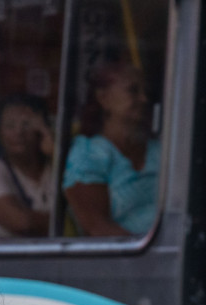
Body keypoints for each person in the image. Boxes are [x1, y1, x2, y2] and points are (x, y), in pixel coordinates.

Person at [63, 61, 160, 236]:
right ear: (103, 98)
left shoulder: (159, 149)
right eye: (133, 90)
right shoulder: (89, 154)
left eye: (146, 92)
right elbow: (97, 228)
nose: (144, 99)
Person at [0, 95, 54, 237]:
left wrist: (55, 152)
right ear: (0, 133)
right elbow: (21, 223)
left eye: (27, 124)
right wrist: (63, 222)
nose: (18, 132)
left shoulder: (55, 170)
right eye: (10, 125)